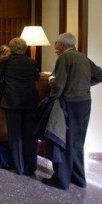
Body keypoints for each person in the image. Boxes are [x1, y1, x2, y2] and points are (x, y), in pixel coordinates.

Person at [42, 33, 102, 190]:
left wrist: (51, 81)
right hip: (84, 103)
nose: (55, 49)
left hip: (68, 103)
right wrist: (83, 86)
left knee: (64, 140)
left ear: (62, 45)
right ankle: (79, 179)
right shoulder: (83, 57)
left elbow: (59, 85)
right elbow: (100, 75)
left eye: (56, 45)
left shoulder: (64, 58)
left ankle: (61, 180)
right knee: (77, 142)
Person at [0, 37, 40, 175]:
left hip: (12, 101)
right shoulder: (31, 62)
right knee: (30, 135)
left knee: (15, 135)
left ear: (11, 48)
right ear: (25, 48)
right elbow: (36, 77)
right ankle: (30, 167)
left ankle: (19, 167)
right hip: (30, 101)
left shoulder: (5, 61)